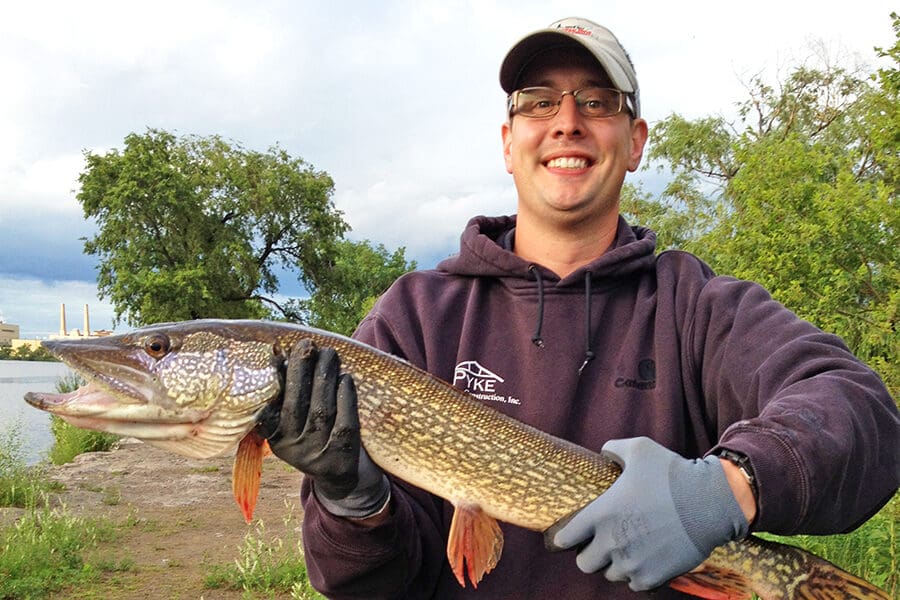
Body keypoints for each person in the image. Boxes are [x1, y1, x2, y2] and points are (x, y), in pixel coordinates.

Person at [260, 17, 900, 599]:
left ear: (636, 142)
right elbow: (371, 586)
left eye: (597, 102)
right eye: (540, 103)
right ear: (509, 143)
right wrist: (354, 502)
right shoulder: (416, 315)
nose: (567, 121)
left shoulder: (697, 307)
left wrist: (723, 491)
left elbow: (861, 411)